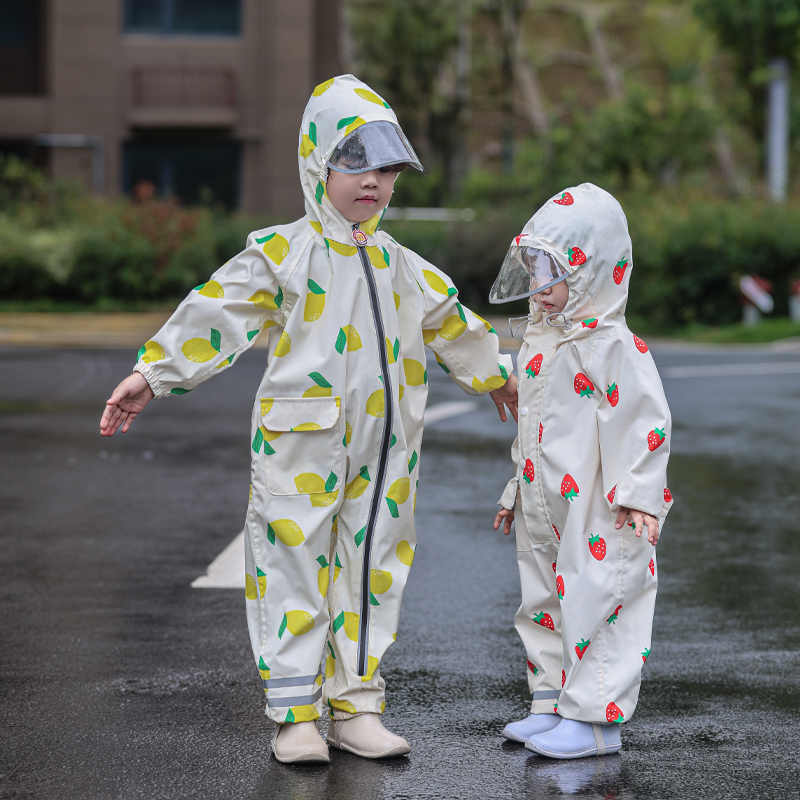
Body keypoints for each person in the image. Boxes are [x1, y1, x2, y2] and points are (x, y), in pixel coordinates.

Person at [99, 75, 518, 764]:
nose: (373, 183)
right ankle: (295, 714)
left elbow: (453, 321)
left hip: (386, 457)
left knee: (371, 569)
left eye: (385, 169)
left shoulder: (400, 266)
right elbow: (218, 310)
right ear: (316, 163)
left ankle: (357, 705)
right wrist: (154, 372)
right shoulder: (284, 254)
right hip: (302, 448)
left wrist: (495, 371)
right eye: (355, 164)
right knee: (293, 566)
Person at [490, 183, 672, 759]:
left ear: (594, 272)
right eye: (534, 270)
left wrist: (640, 495)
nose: (541, 288)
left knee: (600, 597)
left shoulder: (611, 345)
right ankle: (551, 700)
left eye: (554, 272)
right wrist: (514, 487)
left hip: (599, 502)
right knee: (541, 599)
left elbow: (645, 422)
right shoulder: (542, 340)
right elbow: (533, 424)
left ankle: (595, 718)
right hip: (544, 502)